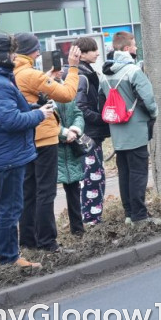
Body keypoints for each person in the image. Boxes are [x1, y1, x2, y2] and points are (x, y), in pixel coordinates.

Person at [0, 35, 53, 268]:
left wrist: (34, 107)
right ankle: (10, 257)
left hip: (1, 152)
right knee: (11, 206)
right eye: (11, 53)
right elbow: (11, 120)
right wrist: (40, 115)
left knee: (2, 203)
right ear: (0, 56)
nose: (15, 57)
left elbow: (7, 111)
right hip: (9, 154)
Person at [13, 33, 81, 253]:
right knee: (46, 192)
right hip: (43, 138)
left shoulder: (15, 71)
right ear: (32, 51)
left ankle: (28, 241)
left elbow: (32, 89)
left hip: (26, 139)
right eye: (37, 49)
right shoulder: (30, 74)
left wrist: (46, 77)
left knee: (29, 191)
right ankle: (48, 242)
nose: (39, 52)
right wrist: (73, 68)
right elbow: (67, 94)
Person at [101, 31, 161, 226]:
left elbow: (101, 102)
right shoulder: (133, 71)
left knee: (125, 173)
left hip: (117, 132)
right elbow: (148, 99)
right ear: (127, 48)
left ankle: (129, 213)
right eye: (134, 45)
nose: (136, 48)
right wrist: (154, 114)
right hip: (135, 129)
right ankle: (140, 216)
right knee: (138, 173)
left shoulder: (105, 73)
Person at [73, 36, 107, 226]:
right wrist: (101, 118)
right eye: (93, 50)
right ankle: (92, 218)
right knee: (93, 176)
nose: (97, 53)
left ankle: (90, 216)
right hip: (88, 135)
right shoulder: (82, 76)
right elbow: (81, 107)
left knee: (92, 175)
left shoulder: (84, 73)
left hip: (89, 134)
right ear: (83, 53)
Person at [54, 100, 86, 236]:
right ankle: (47, 235)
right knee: (46, 194)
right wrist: (64, 133)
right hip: (52, 149)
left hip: (71, 148)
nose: (59, 76)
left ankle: (78, 228)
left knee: (74, 189)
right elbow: (45, 124)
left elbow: (78, 113)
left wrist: (74, 129)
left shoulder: (66, 91)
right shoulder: (42, 91)